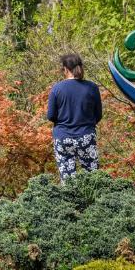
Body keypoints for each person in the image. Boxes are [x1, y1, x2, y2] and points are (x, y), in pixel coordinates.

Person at [47, 53, 103, 182]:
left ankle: (70, 201)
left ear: (65, 69)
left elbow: (51, 115)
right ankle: (94, 201)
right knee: (92, 177)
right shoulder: (92, 87)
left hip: (63, 136)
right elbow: (98, 114)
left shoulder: (57, 88)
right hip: (86, 135)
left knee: (67, 179)